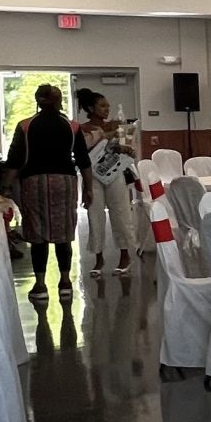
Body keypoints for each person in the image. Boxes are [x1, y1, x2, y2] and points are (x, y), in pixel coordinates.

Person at [7, 82, 90, 299]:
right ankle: (65, 283)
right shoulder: (72, 127)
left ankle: (41, 286)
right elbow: (83, 160)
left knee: (38, 235)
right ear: (59, 100)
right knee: (63, 234)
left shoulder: (25, 126)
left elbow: (14, 160)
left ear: (38, 101)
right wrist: (89, 188)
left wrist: (5, 188)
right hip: (64, 183)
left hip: (34, 183)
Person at [77, 88, 138, 282]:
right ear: (90, 108)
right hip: (93, 176)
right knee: (95, 214)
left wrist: (126, 147)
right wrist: (110, 134)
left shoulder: (115, 125)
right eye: (102, 106)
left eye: (108, 106)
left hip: (114, 174)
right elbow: (87, 146)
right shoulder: (83, 129)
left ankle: (124, 254)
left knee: (120, 212)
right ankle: (98, 257)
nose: (106, 109)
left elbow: (124, 146)